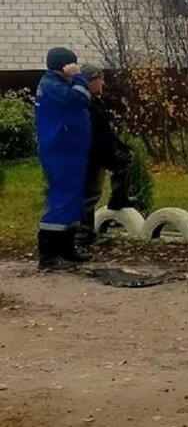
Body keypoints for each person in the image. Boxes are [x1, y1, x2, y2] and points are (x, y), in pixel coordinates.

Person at [34, 47, 93, 270]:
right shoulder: (52, 85)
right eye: (72, 64)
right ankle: (49, 255)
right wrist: (78, 76)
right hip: (60, 150)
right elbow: (80, 99)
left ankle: (67, 249)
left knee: (72, 200)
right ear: (64, 65)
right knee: (61, 199)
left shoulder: (57, 84)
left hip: (71, 150)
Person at [76, 65, 135, 252]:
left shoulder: (93, 101)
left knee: (125, 158)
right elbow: (97, 134)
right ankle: (82, 237)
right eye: (100, 79)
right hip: (91, 156)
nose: (103, 82)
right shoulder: (85, 103)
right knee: (89, 195)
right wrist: (109, 155)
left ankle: (118, 198)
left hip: (97, 153)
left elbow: (105, 132)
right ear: (91, 81)